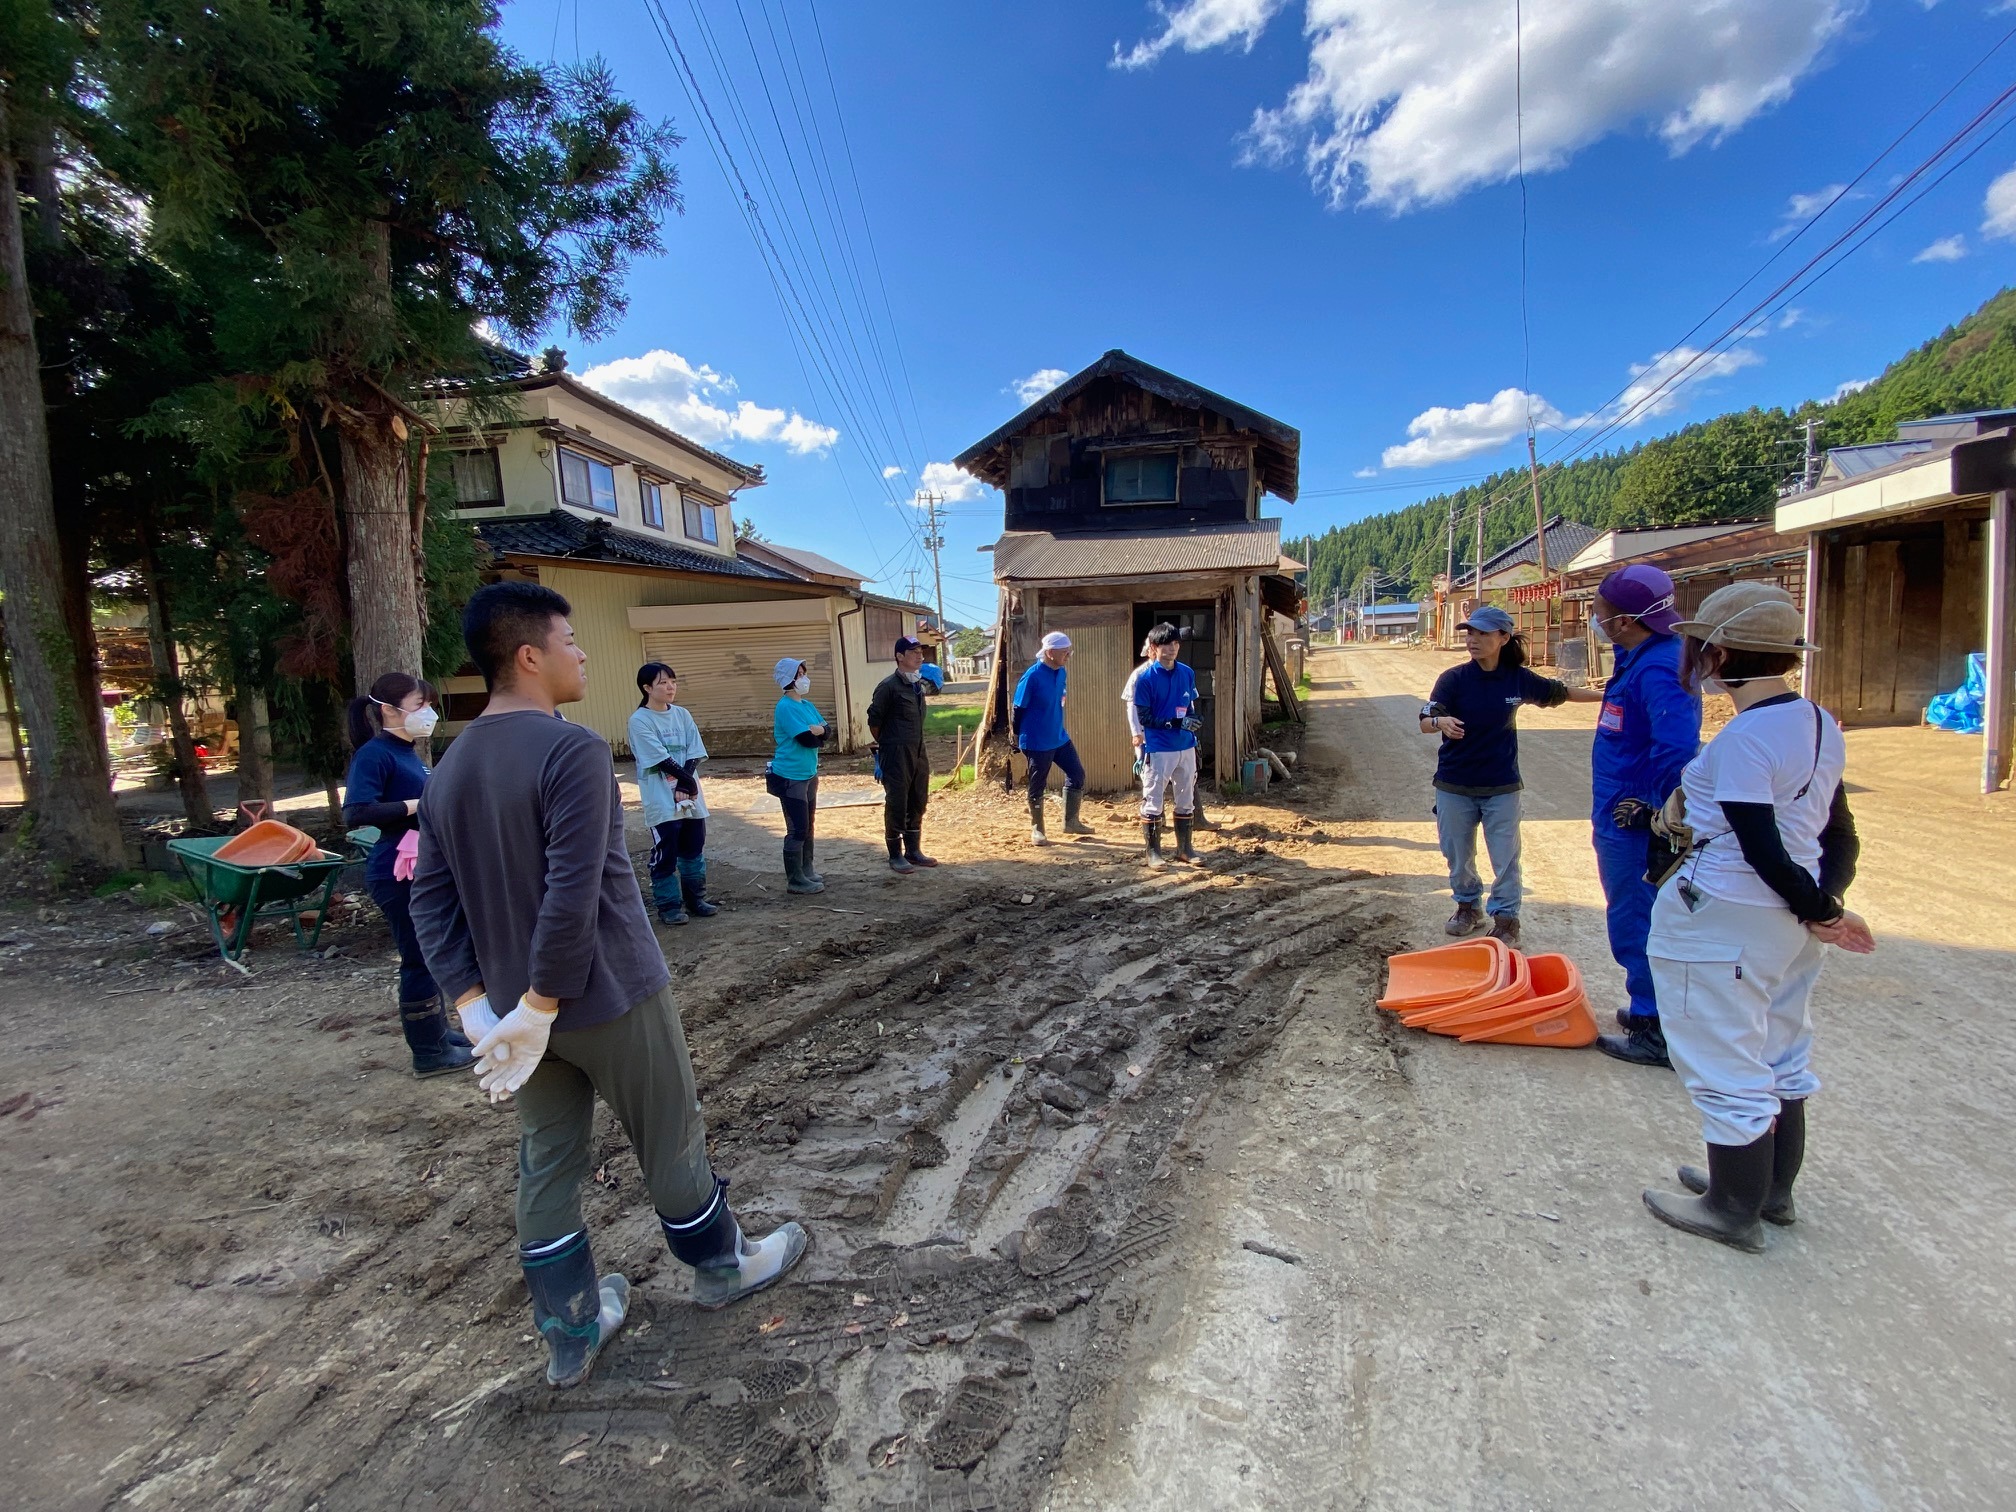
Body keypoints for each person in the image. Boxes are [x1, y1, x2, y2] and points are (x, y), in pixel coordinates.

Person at [410, 583, 807, 1389]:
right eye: (569, 638)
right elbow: (573, 887)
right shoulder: (573, 750)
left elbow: (428, 893)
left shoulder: (447, 770)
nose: (583, 652)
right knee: (670, 1136)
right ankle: (722, 1267)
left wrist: (480, 1006)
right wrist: (545, 1001)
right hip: (609, 995)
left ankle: (570, 1329)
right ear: (529, 655)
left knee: (547, 1163)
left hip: (518, 1022)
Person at [1638, 582, 1870, 1252]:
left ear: (1722, 652)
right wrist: (1821, 909)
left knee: (1722, 1057)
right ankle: (1770, 1189)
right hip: (1786, 926)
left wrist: (1820, 908)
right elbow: (1839, 835)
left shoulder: (1746, 737)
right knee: (1781, 1051)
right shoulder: (1820, 725)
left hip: (1728, 914)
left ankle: (1731, 1204)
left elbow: (1756, 842)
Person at [1420, 604, 1603, 946]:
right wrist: (1439, 722)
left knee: (1505, 857)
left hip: (1502, 785)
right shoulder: (1454, 680)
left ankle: (1506, 921)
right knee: (1457, 855)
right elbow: (1426, 720)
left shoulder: (1517, 679)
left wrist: (1608, 697)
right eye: (1470, 633)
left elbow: (1560, 693)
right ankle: (1467, 906)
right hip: (1454, 785)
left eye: (1483, 633)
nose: (1473, 640)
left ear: (1503, 637)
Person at [1587, 565, 1702, 1070]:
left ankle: (1655, 1026)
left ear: (1626, 620)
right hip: (1620, 811)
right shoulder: (1638, 655)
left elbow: (1675, 748)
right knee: (1637, 915)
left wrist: (1661, 815)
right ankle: (1649, 1009)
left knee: (1638, 920)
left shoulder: (1658, 668)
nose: (1594, 617)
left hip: (1634, 819)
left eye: (1601, 612)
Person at [342, 674, 473, 1079]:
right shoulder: (375, 754)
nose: (428, 714)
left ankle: (438, 1032)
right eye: (420, 705)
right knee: (418, 957)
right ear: (388, 710)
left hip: (423, 867)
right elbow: (357, 812)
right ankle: (428, 1052)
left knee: (432, 954)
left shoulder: (407, 753)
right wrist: (418, 803)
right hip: (396, 869)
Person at [628, 663, 718, 927]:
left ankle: (695, 899)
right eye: (663, 683)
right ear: (647, 688)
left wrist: (686, 783)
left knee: (693, 846)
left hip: (688, 795)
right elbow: (659, 757)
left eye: (673, 682)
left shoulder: (682, 714)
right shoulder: (639, 720)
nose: (670, 687)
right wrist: (686, 782)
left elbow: (694, 750)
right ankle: (668, 906)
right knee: (666, 849)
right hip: (660, 796)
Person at [1133, 622, 1206, 868]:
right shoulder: (1144, 679)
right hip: (1159, 748)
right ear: (1153, 648)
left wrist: (1195, 721)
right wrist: (1174, 723)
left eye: (1175, 644)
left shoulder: (1187, 672)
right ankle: (1152, 853)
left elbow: (1192, 706)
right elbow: (1144, 718)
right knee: (1153, 799)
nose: (1172, 649)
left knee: (1186, 798)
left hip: (1186, 746)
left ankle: (1185, 849)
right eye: (1166, 645)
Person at [1015, 630, 1094, 846]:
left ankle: (1071, 822)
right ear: (1050, 653)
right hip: (1037, 740)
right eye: (1065, 652)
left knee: (1077, 773)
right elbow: (1018, 707)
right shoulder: (1032, 676)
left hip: (1059, 736)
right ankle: (1037, 829)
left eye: (1070, 651)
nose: (1069, 655)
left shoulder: (1061, 673)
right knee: (1037, 783)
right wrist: (1016, 735)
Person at [869, 635, 936, 875]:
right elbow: (874, 722)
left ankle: (913, 851)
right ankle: (895, 855)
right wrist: (889, 745)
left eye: (920, 651)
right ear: (899, 656)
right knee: (897, 801)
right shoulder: (888, 687)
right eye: (913, 651)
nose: (919, 655)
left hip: (918, 750)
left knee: (918, 799)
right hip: (896, 752)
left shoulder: (916, 684)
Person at [769, 657, 829, 895]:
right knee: (798, 828)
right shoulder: (785, 707)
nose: (804, 678)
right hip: (790, 775)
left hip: (808, 773)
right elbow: (807, 739)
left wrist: (821, 731)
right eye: (799, 674)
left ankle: (807, 869)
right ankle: (795, 879)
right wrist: (819, 732)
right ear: (788, 680)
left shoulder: (806, 705)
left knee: (809, 825)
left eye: (804, 673)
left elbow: (828, 732)